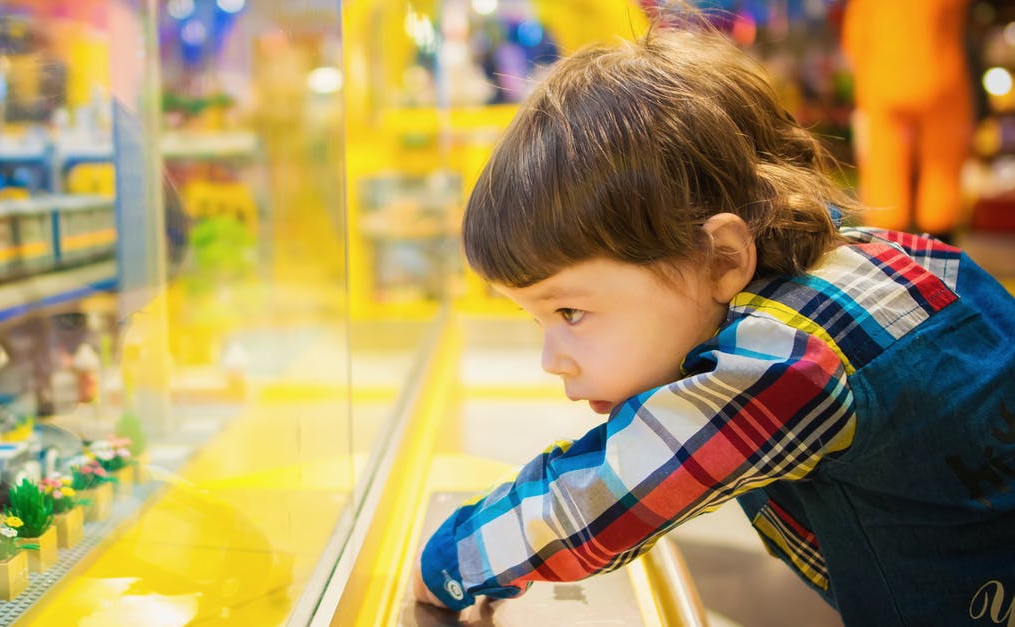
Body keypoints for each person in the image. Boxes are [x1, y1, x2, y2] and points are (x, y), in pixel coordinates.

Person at [412, 11, 1015, 627]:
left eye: (570, 311)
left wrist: (446, 564)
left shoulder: (786, 358)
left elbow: (602, 499)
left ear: (720, 257)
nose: (552, 358)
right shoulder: (877, 257)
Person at [841, 0, 973, 239]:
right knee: (941, 162)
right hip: (940, 75)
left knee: (885, 162)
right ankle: (939, 230)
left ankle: (888, 229)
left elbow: (855, 38)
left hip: (883, 78)